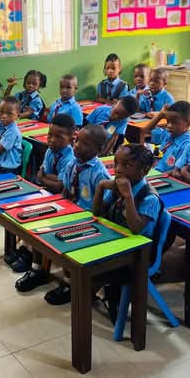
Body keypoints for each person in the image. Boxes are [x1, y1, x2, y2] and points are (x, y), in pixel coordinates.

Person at [92, 144, 162, 322]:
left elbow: (136, 228)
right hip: (115, 241)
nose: (119, 170)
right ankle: (101, 291)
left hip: (137, 255)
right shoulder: (117, 188)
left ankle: (111, 298)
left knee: (91, 269)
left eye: (127, 165)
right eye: (116, 164)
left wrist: (129, 197)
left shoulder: (149, 198)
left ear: (145, 170)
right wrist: (100, 188)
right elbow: (98, 214)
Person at [44, 125, 112, 305]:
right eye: (77, 140)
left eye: (85, 143)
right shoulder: (72, 164)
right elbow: (66, 191)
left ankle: (69, 283)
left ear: (98, 150)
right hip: (71, 210)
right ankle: (39, 269)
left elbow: (103, 208)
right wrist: (60, 210)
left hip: (90, 218)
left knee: (69, 240)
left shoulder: (99, 173)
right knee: (40, 225)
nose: (77, 145)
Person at [12, 114, 76, 285]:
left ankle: (36, 265)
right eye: (50, 135)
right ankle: (26, 251)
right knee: (23, 210)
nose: (52, 140)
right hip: (47, 194)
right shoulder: (49, 151)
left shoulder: (70, 158)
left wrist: (44, 178)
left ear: (71, 139)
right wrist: (49, 178)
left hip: (63, 201)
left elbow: (59, 185)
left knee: (39, 221)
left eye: (58, 137)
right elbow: (48, 178)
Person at [140, 101, 190, 173]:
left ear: (188, 124)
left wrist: (155, 176)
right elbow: (145, 131)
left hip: (164, 177)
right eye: (168, 121)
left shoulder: (187, 145)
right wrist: (161, 115)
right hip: (153, 171)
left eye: (175, 123)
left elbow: (177, 171)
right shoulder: (168, 134)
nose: (169, 126)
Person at [0, 96, 23, 174]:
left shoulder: (13, 131)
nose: (4, 116)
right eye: (1, 112)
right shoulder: (0, 125)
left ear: (18, 116)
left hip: (7, 168)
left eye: (9, 113)